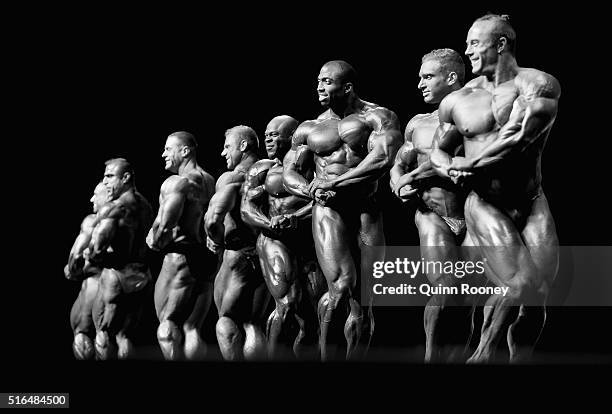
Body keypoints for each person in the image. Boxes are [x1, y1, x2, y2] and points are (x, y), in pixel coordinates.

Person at [429, 14, 560, 363]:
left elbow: (518, 137)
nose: (467, 51)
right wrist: (447, 167)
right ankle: (481, 356)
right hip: (486, 204)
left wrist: (468, 165)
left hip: (532, 203)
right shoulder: (458, 100)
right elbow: (440, 149)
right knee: (520, 284)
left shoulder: (537, 84)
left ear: (500, 44)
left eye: (474, 43)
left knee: (537, 299)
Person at [283, 60, 402, 360]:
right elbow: (290, 172)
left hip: (366, 209)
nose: (320, 87)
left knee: (367, 297)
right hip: (329, 211)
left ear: (346, 86)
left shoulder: (378, 116)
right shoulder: (310, 128)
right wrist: (308, 188)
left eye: (327, 81)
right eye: (318, 81)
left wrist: (339, 181)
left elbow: (382, 158)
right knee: (342, 285)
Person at [390, 49, 472, 362]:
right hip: (431, 215)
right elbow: (399, 164)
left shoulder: (478, 115)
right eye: (420, 77)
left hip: (473, 213)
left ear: (451, 78)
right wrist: (398, 184)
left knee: (471, 297)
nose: (421, 84)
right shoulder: (418, 123)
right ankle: (429, 357)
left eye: (428, 77)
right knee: (446, 285)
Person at [241, 115, 326, 359]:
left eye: (274, 134)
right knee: (288, 303)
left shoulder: (312, 165)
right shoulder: (262, 169)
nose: (268, 138)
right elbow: (246, 208)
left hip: (308, 241)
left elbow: (324, 201)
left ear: (292, 136)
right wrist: (270, 222)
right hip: (273, 240)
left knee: (313, 317)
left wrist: (297, 216)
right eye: (266, 134)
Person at [147, 131, 217, 360]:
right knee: (192, 328)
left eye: (168, 149)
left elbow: (166, 224)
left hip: (180, 258)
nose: (163, 154)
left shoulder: (178, 182)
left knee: (167, 325)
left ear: (185, 151)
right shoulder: (209, 180)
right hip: (205, 259)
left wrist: (154, 240)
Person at [204, 125, 270, 360]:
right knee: (254, 323)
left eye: (227, 147)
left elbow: (213, 219)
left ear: (243, 146)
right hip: (265, 255)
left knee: (226, 319)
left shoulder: (232, 178)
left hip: (237, 255)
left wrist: (215, 239)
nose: (223, 153)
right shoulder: (271, 172)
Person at [88, 158, 154, 359]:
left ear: (125, 178)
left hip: (116, 277)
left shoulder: (114, 208)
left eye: (109, 176)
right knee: (125, 336)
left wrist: (92, 257)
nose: (105, 181)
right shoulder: (146, 205)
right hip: (143, 276)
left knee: (103, 333)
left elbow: (96, 248)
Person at [64, 182, 109, 360]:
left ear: (109, 195)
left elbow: (76, 253)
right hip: (127, 287)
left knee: (82, 334)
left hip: (95, 286)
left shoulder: (93, 221)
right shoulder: (132, 216)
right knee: (119, 339)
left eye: (96, 194)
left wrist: (72, 269)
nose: (92, 199)